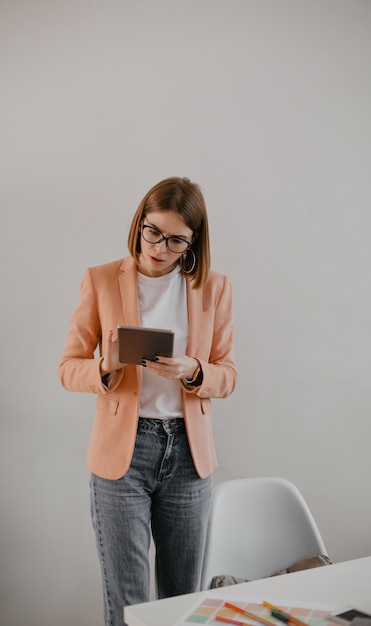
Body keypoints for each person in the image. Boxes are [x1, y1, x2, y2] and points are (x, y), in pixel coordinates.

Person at [58, 176, 237, 626]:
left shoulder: (213, 287)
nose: (159, 246)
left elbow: (228, 375)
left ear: (193, 243)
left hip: (188, 457)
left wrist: (194, 371)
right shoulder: (100, 280)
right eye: (153, 231)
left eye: (176, 240)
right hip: (124, 452)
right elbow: (67, 367)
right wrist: (106, 365)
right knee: (129, 603)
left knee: (183, 601)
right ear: (140, 223)